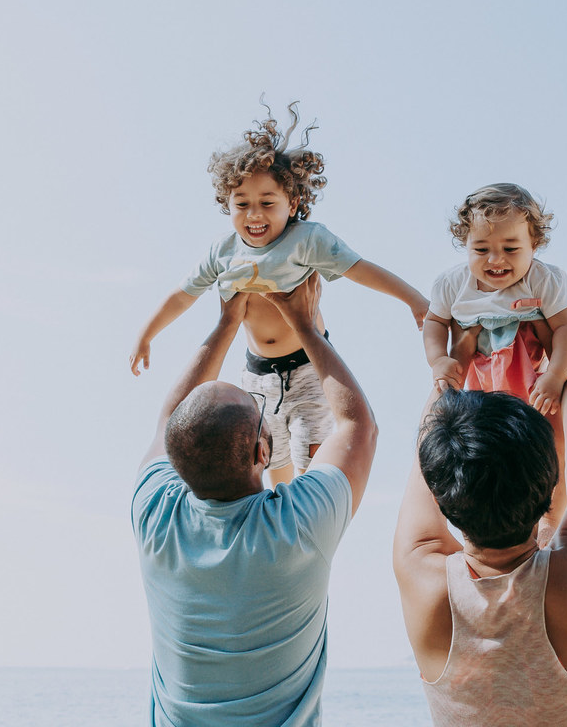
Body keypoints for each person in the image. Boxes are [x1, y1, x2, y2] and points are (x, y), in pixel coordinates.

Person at [132, 102, 426, 488]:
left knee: (312, 459)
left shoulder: (306, 241)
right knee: (272, 462)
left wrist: (413, 300)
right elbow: (183, 295)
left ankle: (309, 523)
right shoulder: (223, 253)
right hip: (257, 375)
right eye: (242, 205)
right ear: (228, 204)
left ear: (294, 203)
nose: (255, 215)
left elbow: (361, 268)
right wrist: (147, 334)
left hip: (308, 367)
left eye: (268, 203)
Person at [132, 275, 377, 726]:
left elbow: (169, 419)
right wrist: (304, 324)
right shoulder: (297, 525)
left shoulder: (154, 514)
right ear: (264, 453)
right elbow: (357, 425)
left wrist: (227, 323)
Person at [392, 372, 567, 727]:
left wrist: (451, 363)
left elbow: (424, 463)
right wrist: (561, 356)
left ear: (442, 501)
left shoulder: (422, 577)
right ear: (551, 482)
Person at [422, 182, 567, 539]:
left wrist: (555, 375)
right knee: (477, 454)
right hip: (479, 386)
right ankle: (475, 525)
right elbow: (434, 322)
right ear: (465, 244)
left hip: (533, 380)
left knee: (555, 446)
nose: (496, 260)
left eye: (511, 248)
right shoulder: (452, 285)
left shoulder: (542, 280)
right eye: (481, 249)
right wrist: (438, 360)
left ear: (534, 245)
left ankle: (551, 521)